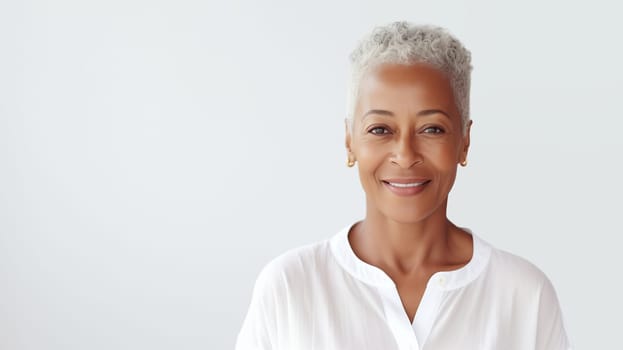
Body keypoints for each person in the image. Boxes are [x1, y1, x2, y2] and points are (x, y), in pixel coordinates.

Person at [235, 21, 571, 350]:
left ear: (464, 142)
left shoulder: (524, 296)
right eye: (380, 129)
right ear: (350, 141)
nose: (406, 155)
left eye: (432, 129)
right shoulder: (291, 288)